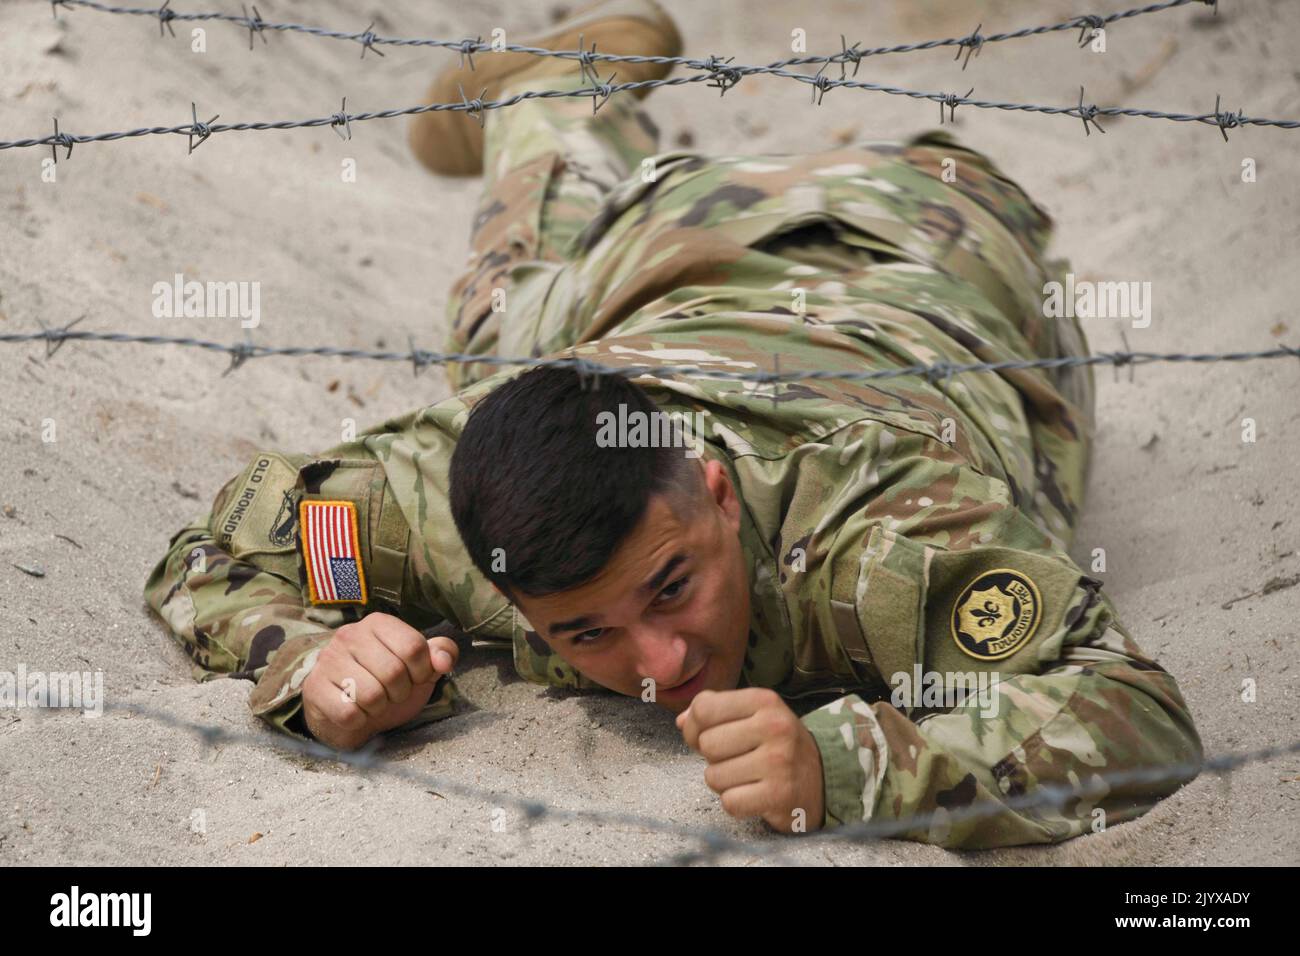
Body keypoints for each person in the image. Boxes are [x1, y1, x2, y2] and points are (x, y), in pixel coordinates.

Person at [144, 0, 1202, 846]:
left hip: (933, 236)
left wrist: (854, 767)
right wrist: (307, 662)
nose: (659, 660)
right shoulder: (441, 509)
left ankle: (556, 105)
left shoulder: (881, 536)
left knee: (495, 326)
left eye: (672, 586)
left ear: (714, 489)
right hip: (667, 272)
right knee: (510, 345)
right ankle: (555, 86)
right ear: (498, 588)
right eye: (585, 632)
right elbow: (216, 553)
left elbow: (1138, 716)